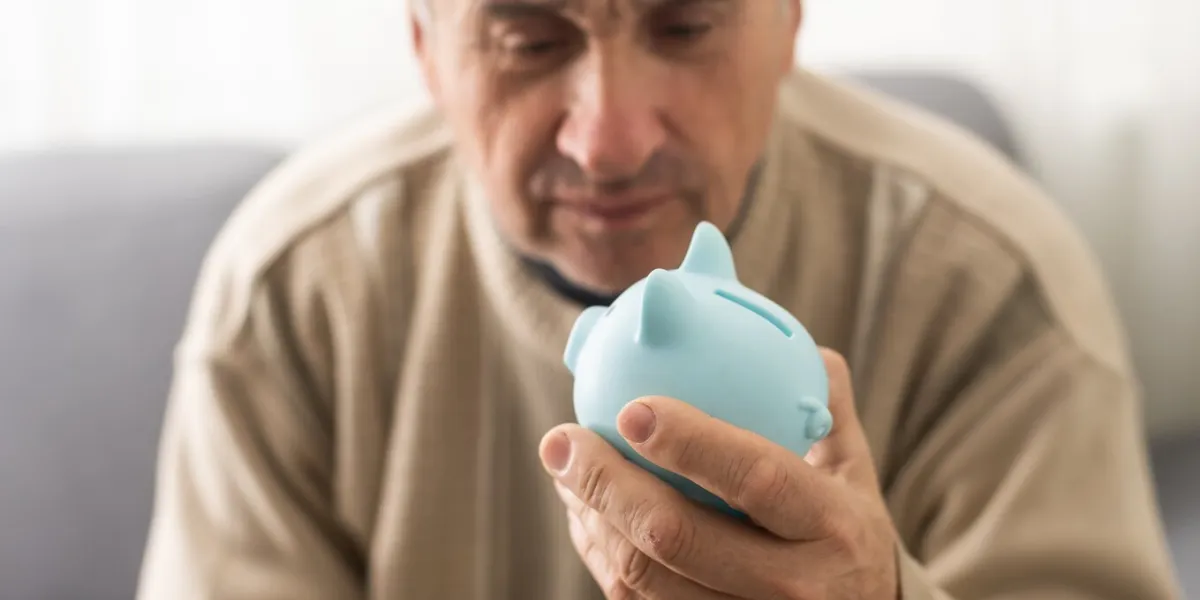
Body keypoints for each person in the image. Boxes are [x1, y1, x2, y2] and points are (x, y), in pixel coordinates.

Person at [135, 0, 1183, 598]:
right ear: (424, 45)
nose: (611, 141)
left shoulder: (991, 280)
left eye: (684, 24)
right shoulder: (288, 299)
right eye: (529, 39)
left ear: (789, 20)